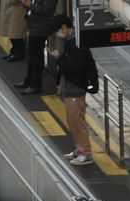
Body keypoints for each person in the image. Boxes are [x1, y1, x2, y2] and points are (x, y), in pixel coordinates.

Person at [47, 15, 97, 166]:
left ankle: (85, 153)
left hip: (75, 89)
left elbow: (75, 67)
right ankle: (79, 149)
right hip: (70, 88)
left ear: (64, 27)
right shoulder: (71, 41)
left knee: (77, 122)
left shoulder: (76, 43)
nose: (58, 34)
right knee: (72, 121)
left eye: (58, 31)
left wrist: (59, 58)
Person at [14, 0, 57, 95]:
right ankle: (29, 81)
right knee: (32, 55)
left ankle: (35, 85)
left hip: (41, 27)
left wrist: (30, 4)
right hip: (35, 25)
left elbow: (47, 10)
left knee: (36, 57)